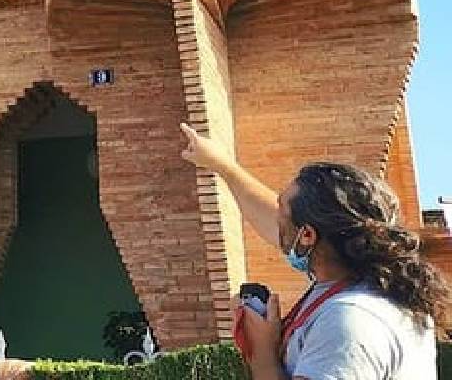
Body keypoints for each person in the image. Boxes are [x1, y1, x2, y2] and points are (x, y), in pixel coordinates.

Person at [179, 123, 448, 380]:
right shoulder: (359, 283)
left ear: (307, 236)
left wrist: (262, 355)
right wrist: (222, 165)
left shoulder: (349, 320)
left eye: (283, 213)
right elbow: (269, 217)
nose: (277, 220)